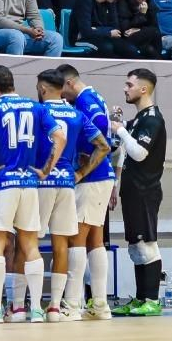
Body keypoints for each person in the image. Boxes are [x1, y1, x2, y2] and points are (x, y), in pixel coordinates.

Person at [0, 64, 65, 323]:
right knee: (30, 245)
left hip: (2, 184)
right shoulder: (37, 108)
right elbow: (60, 137)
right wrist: (45, 170)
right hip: (29, 184)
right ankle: (35, 309)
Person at [36, 67, 108, 320]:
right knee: (90, 240)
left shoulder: (78, 103)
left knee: (71, 241)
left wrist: (81, 171)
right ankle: (91, 304)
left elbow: (99, 143)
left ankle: (70, 304)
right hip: (80, 179)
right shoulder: (84, 104)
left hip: (82, 177)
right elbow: (104, 142)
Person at [57, 63, 118, 320]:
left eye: (62, 90)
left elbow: (102, 130)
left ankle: (73, 305)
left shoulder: (86, 101)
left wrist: (83, 165)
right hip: (101, 178)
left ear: (70, 83)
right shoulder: (91, 97)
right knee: (94, 240)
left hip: (93, 177)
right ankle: (100, 304)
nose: (61, 96)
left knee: (77, 239)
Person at [111, 68, 168, 316]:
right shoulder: (139, 119)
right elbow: (123, 144)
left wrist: (120, 131)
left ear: (143, 89)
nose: (125, 88)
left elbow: (139, 153)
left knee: (148, 245)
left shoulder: (153, 119)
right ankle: (141, 298)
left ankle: (152, 301)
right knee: (135, 247)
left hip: (146, 191)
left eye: (129, 85)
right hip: (132, 191)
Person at [73, 0, 141, 57]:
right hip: (82, 39)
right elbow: (86, 32)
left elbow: (116, 27)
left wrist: (97, 29)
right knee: (107, 48)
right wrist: (108, 32)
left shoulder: (110, 1)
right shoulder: (85, 0)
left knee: (130, 49)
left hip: (103, 37)